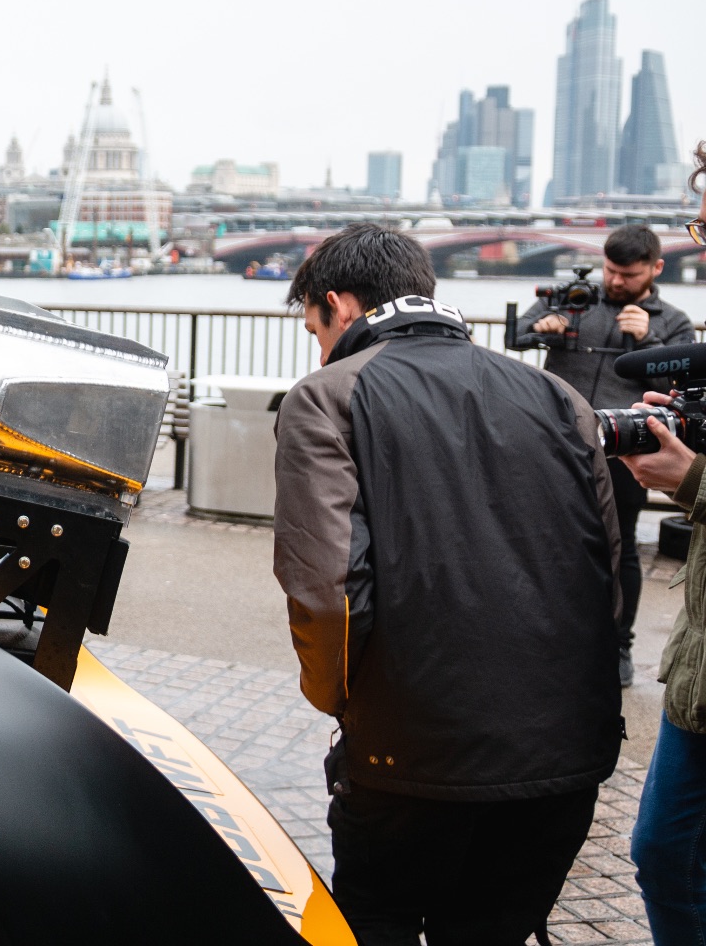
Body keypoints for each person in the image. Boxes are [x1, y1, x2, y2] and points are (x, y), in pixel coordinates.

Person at [272, 223, 621, 945]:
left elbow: (326, 590)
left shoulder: (327, 396)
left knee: (379, 920)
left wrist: (344, 701)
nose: (318, 345)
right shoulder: (557, 396)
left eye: (314, 327)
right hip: (562, 758)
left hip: (412, 754)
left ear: (337, 305)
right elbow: (604, 571)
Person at [515, 224, 696, 686]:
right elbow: (515, 335)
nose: (615, 281)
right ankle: (549, 637)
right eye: (610, 271)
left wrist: (650, 343)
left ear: (655, 268)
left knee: (622, 550)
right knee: (546, 542)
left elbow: (680, 396)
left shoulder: (672, 321)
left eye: (628, 274)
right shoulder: (574, 297)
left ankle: (619, 646)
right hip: (558, 441)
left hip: (623, 453)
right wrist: (541, 327)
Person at [620, 142, 706, 944]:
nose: (702, 240)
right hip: (699, 670)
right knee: (665, 855)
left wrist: (691, 479)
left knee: (670, 855)